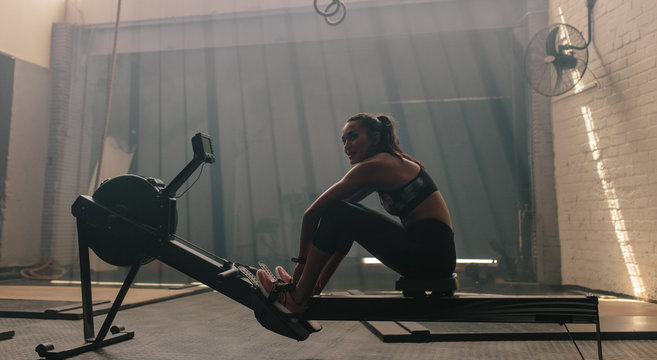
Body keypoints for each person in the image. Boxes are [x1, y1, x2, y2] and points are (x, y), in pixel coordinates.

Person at [257, 113, 456, 314]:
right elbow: (343, 222)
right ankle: (310, 288)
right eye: (344, 140)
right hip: (434, 257)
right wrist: (317, 281)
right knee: (344, 212)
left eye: (353, 137)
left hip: (430, 257)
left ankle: (298, 297)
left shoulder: (375, 166)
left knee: (339, 211)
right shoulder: (384, 164)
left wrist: (301, 265)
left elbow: (312, 213)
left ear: (375, 138)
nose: (347, 146)